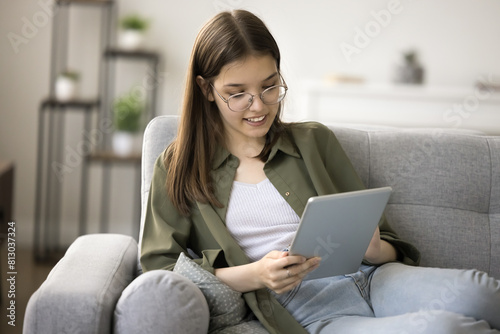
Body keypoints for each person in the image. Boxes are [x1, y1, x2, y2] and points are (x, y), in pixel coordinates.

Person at [140, 9, 500, 334]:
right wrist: (254, 274)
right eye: (238, 94)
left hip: (375, 279)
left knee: (481, 292)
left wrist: (375, 250)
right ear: (206, 88)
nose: (259, 105)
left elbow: (387, 243)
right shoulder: (178, 168)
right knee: (445, 328)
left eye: (269, 86)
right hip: (311, 309)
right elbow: (160, 272)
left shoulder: (312, 142)